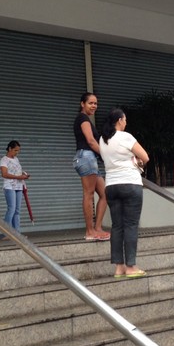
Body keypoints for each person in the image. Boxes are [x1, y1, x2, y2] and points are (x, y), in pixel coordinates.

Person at [99, 108, 149, 278]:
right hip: (130, 184)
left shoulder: (103, 139)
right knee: (131, 225)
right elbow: (145, 157)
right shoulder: (125, 136)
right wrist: (138, 162)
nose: (126, 122)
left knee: (117, 226)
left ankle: (119, 267)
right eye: (125, 119)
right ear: (120, 120)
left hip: (111, 185)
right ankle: (131, 266)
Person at [73, 92, 110, 241]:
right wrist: (106, 155)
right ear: (82, 104)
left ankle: (97, 228)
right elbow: (90, 141)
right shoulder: (83, 118)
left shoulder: (86, 119)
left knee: (105, 194)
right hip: (86, 157)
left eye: (96, 103)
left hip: (89, 158)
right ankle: (89, 231)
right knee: (88, 194)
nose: (94, 106)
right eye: (91, 103)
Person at [0, 140, 30, 238]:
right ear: (10, 149)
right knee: (11, 209)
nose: (17, 153)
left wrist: (23, 175)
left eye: (18, 151)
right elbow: (4, 174)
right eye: (15, 150)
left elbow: (17, 171)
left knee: (17, 210)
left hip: (19, 186)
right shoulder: (4, 160)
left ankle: (17, 233)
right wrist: (19, 177)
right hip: (9, 186)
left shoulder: (16, 159)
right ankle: (6, 232)